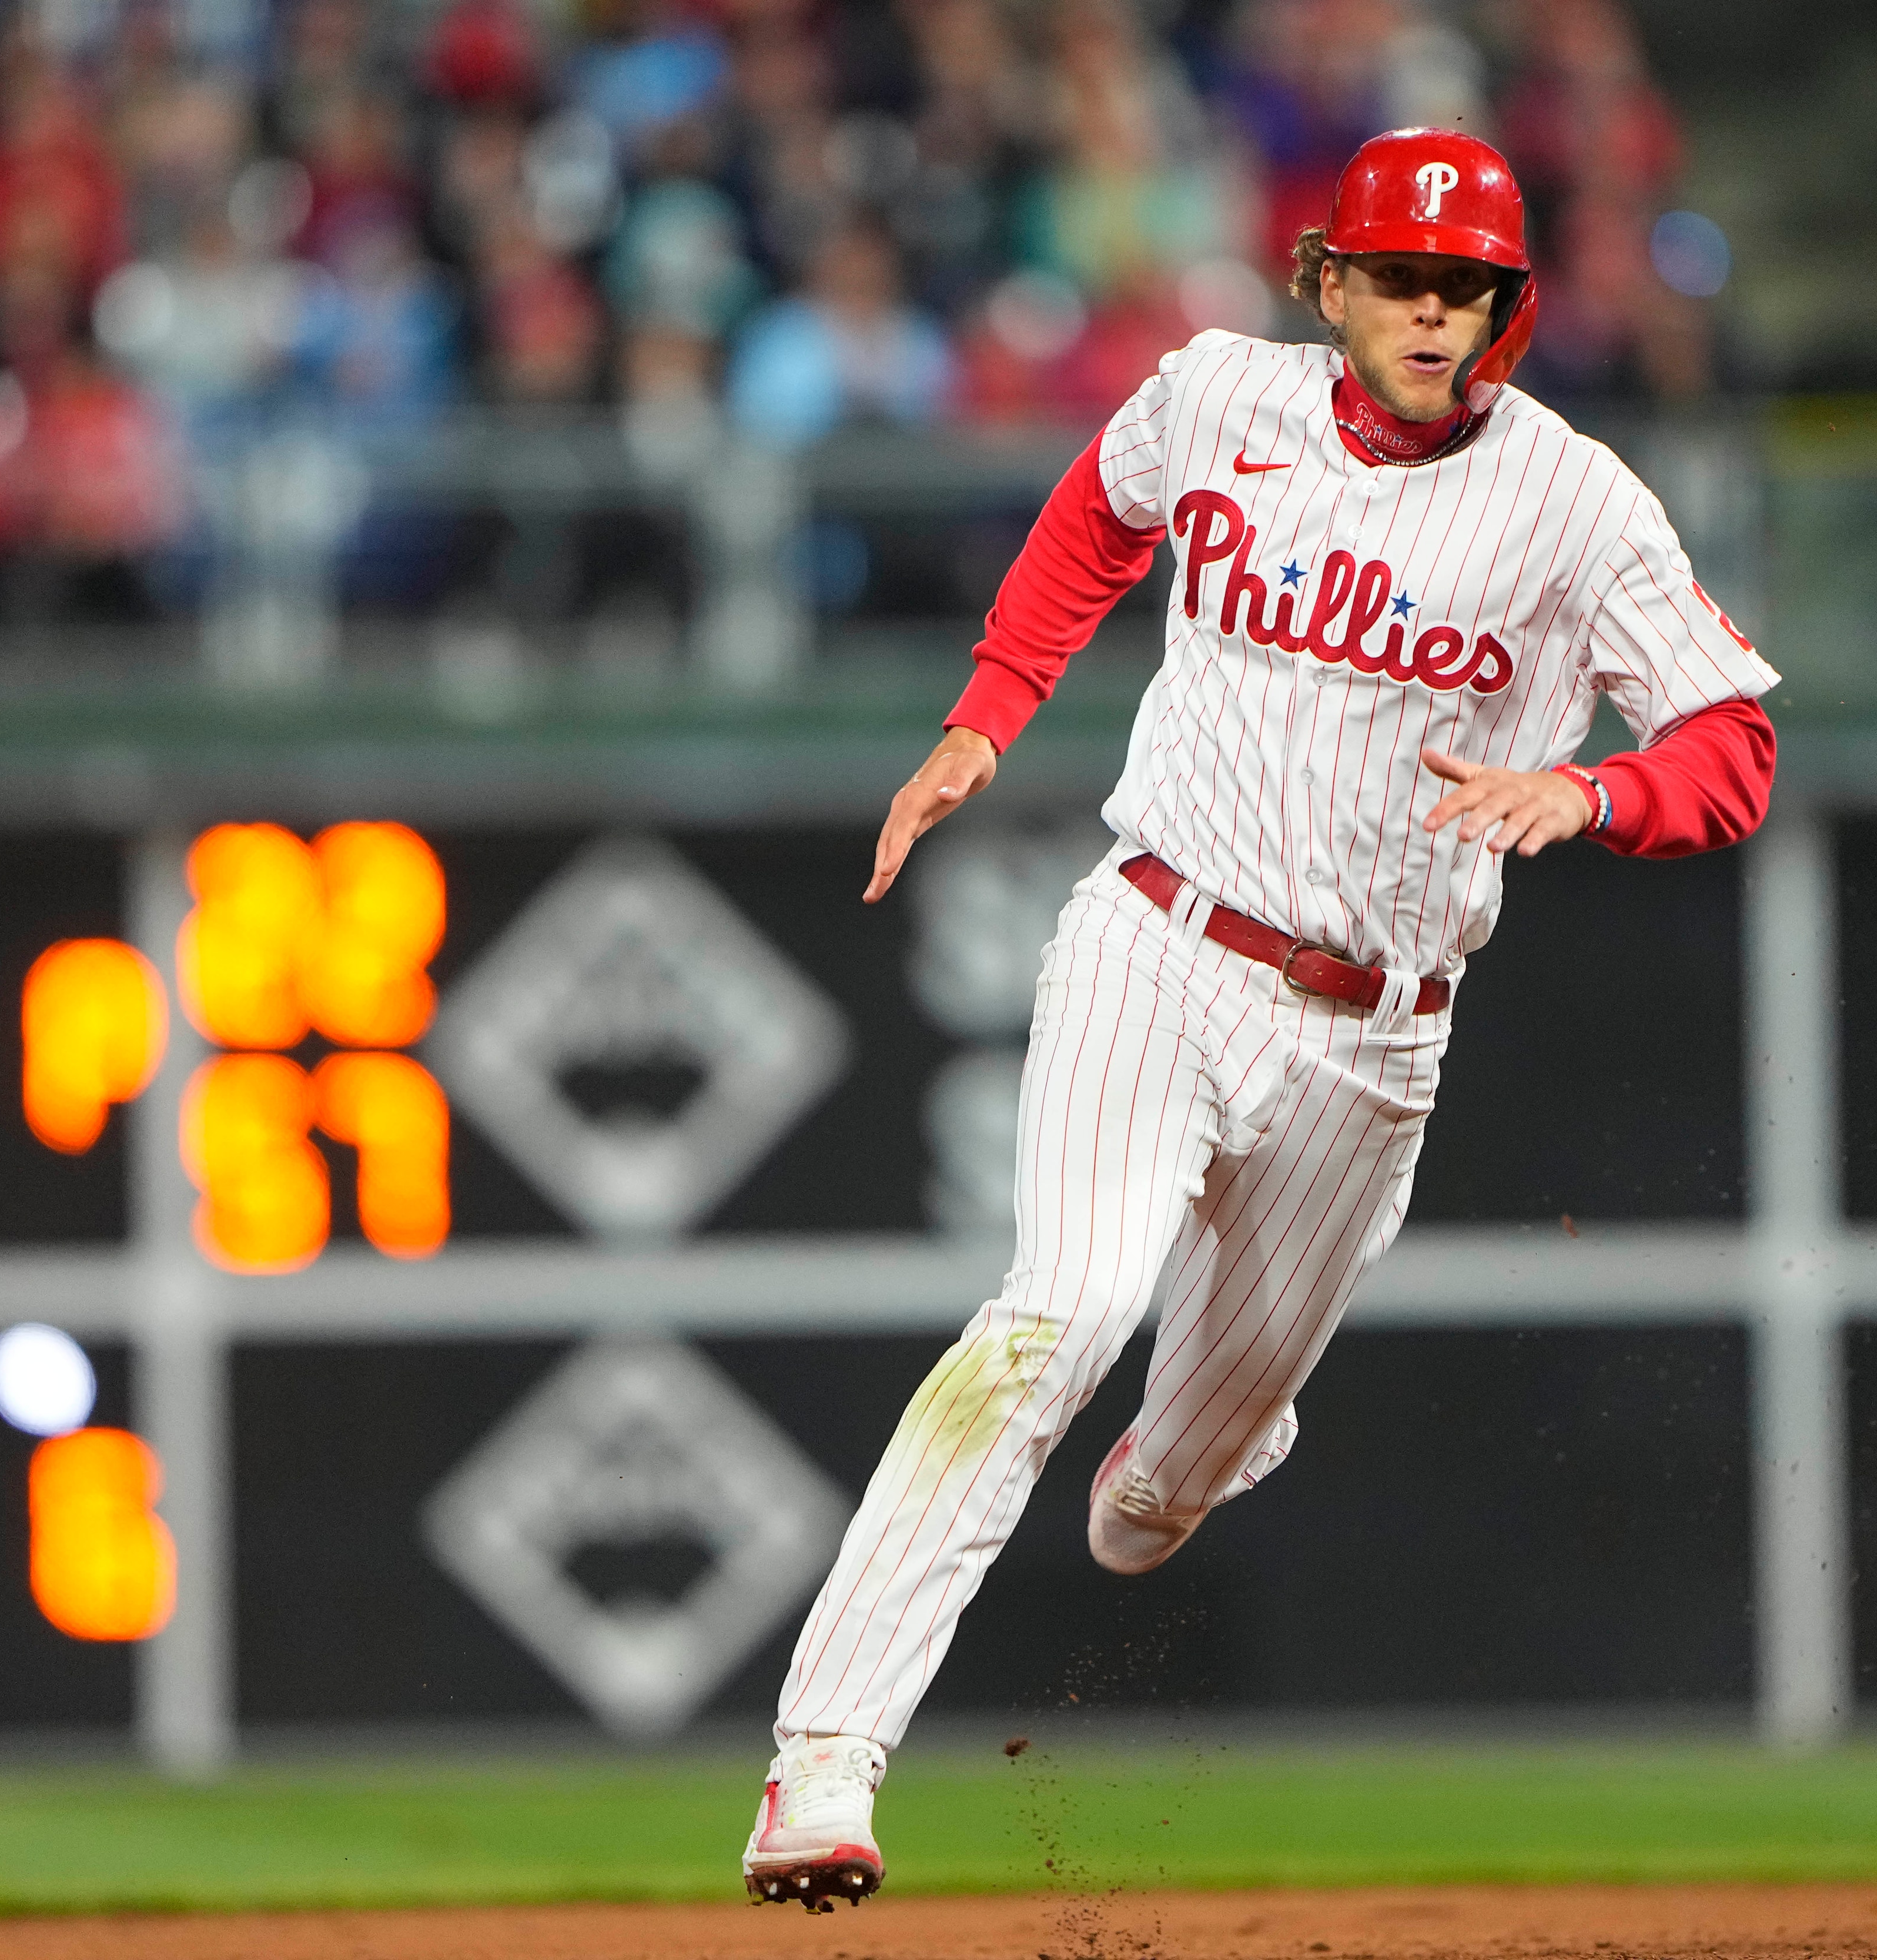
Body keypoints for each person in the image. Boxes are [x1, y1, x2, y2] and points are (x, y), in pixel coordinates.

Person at [738, 127, 1779, 1912]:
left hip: (1376, 1037)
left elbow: (1734, 747)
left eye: (1466, 286)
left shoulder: (1576, 500)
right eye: (1400, 279)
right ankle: (822, 1768)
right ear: (1333, 281)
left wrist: (1591, 798)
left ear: (1507, 302)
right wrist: (991, 711)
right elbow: (1095, 515)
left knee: (1162, 1497)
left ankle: (1200, 1443)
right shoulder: (1220, 393)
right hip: (1160, 942)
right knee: (1052, 1314)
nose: (1433, 315)